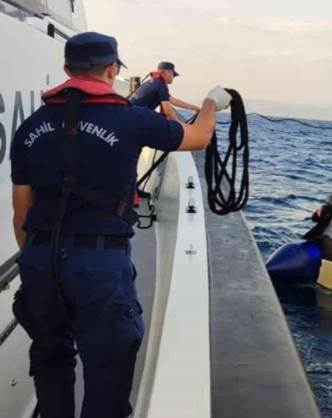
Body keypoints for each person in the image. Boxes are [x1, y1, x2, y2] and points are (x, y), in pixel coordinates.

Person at [9, 31, 231, 418]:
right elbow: (200, 136)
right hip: (99, 264)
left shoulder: (30, 127)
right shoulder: (129, 120)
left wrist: (38, 258)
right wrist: (213, 101)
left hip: (40, 258)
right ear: (111, 70)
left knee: (50, 358)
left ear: (66, 69)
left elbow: (21, 213)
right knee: (108, 367)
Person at [129, 61, 200, 120]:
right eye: (173, 74)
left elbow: (174, 101)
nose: (173, 77)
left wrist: (196, 108)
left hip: (129, 115)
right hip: (133, 119)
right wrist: (180, 127)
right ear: (167, 72)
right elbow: (168, 111)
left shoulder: (154, 82)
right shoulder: (160, 84)